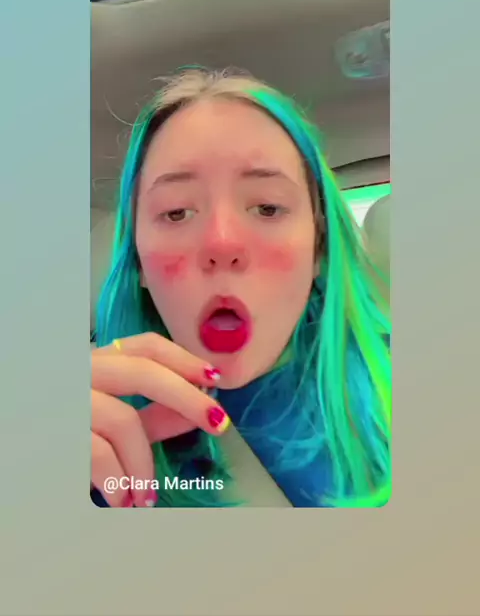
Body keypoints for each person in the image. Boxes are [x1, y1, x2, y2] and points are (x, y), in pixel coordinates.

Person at [91, 66, 391, 508]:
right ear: (139, 265)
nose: (222, 243)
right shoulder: (94, 449)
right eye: (176, 212)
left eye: (267, 207)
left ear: (319, 248)